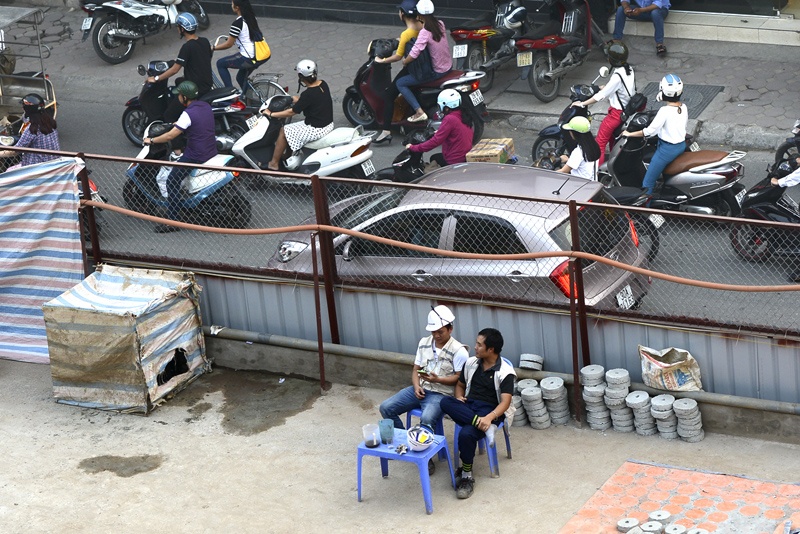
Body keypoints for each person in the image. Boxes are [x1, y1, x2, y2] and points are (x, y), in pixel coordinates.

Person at [440, 328, 516, 500]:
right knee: (445, 402)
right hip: (469, 407)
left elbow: (505, 402)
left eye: (479, 345)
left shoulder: (505, 373)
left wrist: (489, 418)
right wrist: (459, 397)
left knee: (466, 434)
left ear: (491, 350)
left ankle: (466, 475)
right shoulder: (471, 363)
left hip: (490, 410)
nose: (475, 347)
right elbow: (460, 385)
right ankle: (479, 424)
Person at [379, 305, 469, 432]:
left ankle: (423, 445)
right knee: (386, 407)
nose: (436, 335)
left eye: (440, 332)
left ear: (450, 329)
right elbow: (417, 369)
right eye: (433, 332)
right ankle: (406, 440)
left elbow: (459, 379)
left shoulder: (459, 351)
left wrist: (438, 380)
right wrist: (416, 387)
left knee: (427, 419)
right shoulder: (423, 343)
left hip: (441, 395)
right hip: (421, 390)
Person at [143, 80, 217, 233]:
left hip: (196, 154)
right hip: (211, 150)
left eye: (179, 95)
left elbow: (170, 136)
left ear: (184, 97)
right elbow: (196, 123)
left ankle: (173, 221)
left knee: (172, 180)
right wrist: (177, 124)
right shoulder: (205, 106)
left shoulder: (187, 113)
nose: (178, 98)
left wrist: (151, 140)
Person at [571, 40, 634, 165]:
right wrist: (603, 87)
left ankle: (596, 173)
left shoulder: (617, 76)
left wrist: (582, 104)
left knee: (599, 143)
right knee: (612, 140)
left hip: (615, 114)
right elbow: (620, 89)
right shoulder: (629, 69)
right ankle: (613, 165)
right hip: (625, 111)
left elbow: (600, 96)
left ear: (612, 60)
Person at [264, 59, 333, 172]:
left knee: (284, 130)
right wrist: (297, 100)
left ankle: (274, 163)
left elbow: (291, 112)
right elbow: (315, 100)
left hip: (316, 128)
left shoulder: (308, 94)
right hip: (327, 124)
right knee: (291, 130)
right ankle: (286, 155)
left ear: (301, 76)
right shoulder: (323, 84)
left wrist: (271, 113)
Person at [622, 73, 686, 195]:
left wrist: (629, 134)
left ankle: (646, 210)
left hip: (667, 150)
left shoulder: (664, 111)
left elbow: (650, 132)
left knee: (647, 183)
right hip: (681, 145)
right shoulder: (684, 107)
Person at [372, 0, 423, 144]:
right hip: (422, 67)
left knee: (389, 95)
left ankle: (386, 131)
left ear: (403, 14)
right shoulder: (421, 27)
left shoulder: (407, 33)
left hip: (412, 68)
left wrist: (382, 61)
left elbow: (398, 57)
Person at [146, 13, 213, 123]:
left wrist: (156, 78)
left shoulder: (187, 47)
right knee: (178, 81)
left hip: (195, 89)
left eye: (178, 27)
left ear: (182, 29)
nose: (177, 28)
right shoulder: (204, 41)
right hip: (207, 84)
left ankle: (177, 138)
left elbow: (175, 70)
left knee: (169, 115)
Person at [396, 0, 452, 123]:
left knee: (400, 83)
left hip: (437, 71)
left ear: (419, 15)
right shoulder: (440, 24)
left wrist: (405, 61)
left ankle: (419, 111)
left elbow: (414, 53)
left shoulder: (424, 32)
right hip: (448, 66)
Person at [406, 89, 476, 167]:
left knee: (434, 159)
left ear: (446, 107)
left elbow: (435, 141)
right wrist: (440, 132)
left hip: (454, 161)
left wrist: (414, 148)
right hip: (463, 156)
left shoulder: (449, 119)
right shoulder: (464, 114)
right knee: (435, 157)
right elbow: (456, 131)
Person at [213, 0, 268, 91]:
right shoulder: (252, 18)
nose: (231, 5)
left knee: (220, 63)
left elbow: (228, 44)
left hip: (248, 57)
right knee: (240, 78)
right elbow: (247, 35)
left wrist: (213, 48)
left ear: (237, 7)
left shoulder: (237, 24)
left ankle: (230, 93)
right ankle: (249, 99)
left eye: (232, 3)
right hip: (259, 55)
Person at [1, 94, 60, 171]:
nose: (22, 107)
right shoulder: (49, 121)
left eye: (23, 106)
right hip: (53, 164)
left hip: (34, 168)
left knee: (8, 171)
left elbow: (14, 151)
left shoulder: (31, 130)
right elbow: (25, 118)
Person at [557, 116, 601, 180]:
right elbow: (584, 164)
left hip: (579, 185)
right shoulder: (593, 146)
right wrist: (568, 160)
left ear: (575, 133)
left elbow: (563, 171)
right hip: (592, 183)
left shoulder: (578, 152)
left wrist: (547, 175)